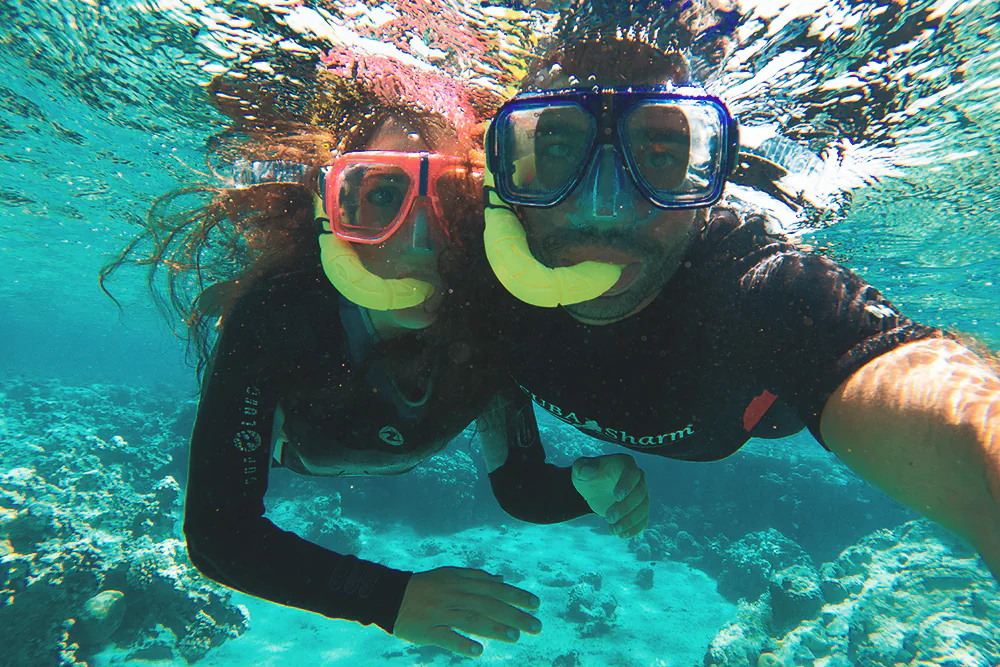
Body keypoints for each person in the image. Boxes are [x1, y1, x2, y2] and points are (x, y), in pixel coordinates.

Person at [100, 52, 651, 658]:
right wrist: (384, 599)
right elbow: (218, 535)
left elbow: (518, 487)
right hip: (302, 450)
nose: (420, 238)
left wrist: (582, 487)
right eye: (385, 193)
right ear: (335, 211)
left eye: (450, 198)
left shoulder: (491, 315)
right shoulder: (279, 317)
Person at [481, 32, 1000, 580]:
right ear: (507, 172)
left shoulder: (762, 291)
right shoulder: (474, 285)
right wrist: (579, 490)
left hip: (767, 414)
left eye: (660, 154)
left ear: (713, 182)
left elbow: (950, 420)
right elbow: (521, 488)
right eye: (560, 147)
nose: (604, 208)